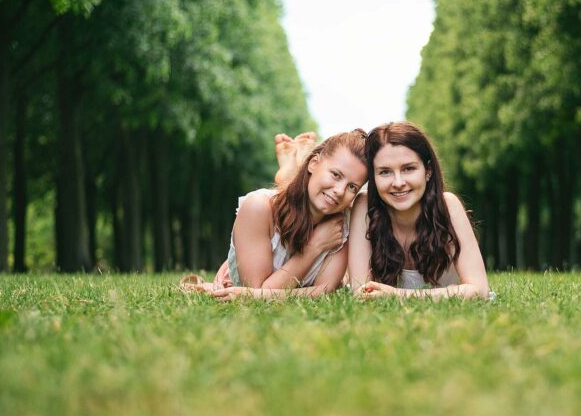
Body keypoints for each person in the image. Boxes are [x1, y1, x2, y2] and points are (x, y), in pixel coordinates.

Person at [181, 129, 368, 300]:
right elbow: (258, 292)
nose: (340, 191)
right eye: (336, 175)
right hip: (262, 236)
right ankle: (290, 170)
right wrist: (314, 247)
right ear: (313, 163)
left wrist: (259, 295)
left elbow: (323, 290)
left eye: (352, 187)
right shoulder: (258, 208)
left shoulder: (342, 226)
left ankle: (289, 171)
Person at [348, 122, 493, 300]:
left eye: (409, 169)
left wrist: (396, 295)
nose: (398, 182)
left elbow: (479, 290)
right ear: (374, 177)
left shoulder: (449, 207)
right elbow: (360, 291)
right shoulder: (364, 207)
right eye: (385, 172)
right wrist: (452, 293)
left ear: (428, 171)